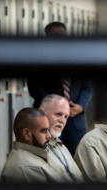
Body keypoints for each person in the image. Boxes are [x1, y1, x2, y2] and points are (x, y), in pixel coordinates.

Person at [27, 22, 93, 156]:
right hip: (48, 120)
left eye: (62, 35)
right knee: (51, 158)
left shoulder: (77, 57)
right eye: (56, 35)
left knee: (78, 159)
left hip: (76, 121)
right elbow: (35, 89)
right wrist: (57, 106)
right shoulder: (37, 58)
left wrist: (81, 106)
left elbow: (87, 87)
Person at [38, 94, 85, 183]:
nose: (62, 121)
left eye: (66, 117)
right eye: (58, 114)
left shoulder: (60, 145)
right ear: (41, 113)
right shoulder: (35, 148)